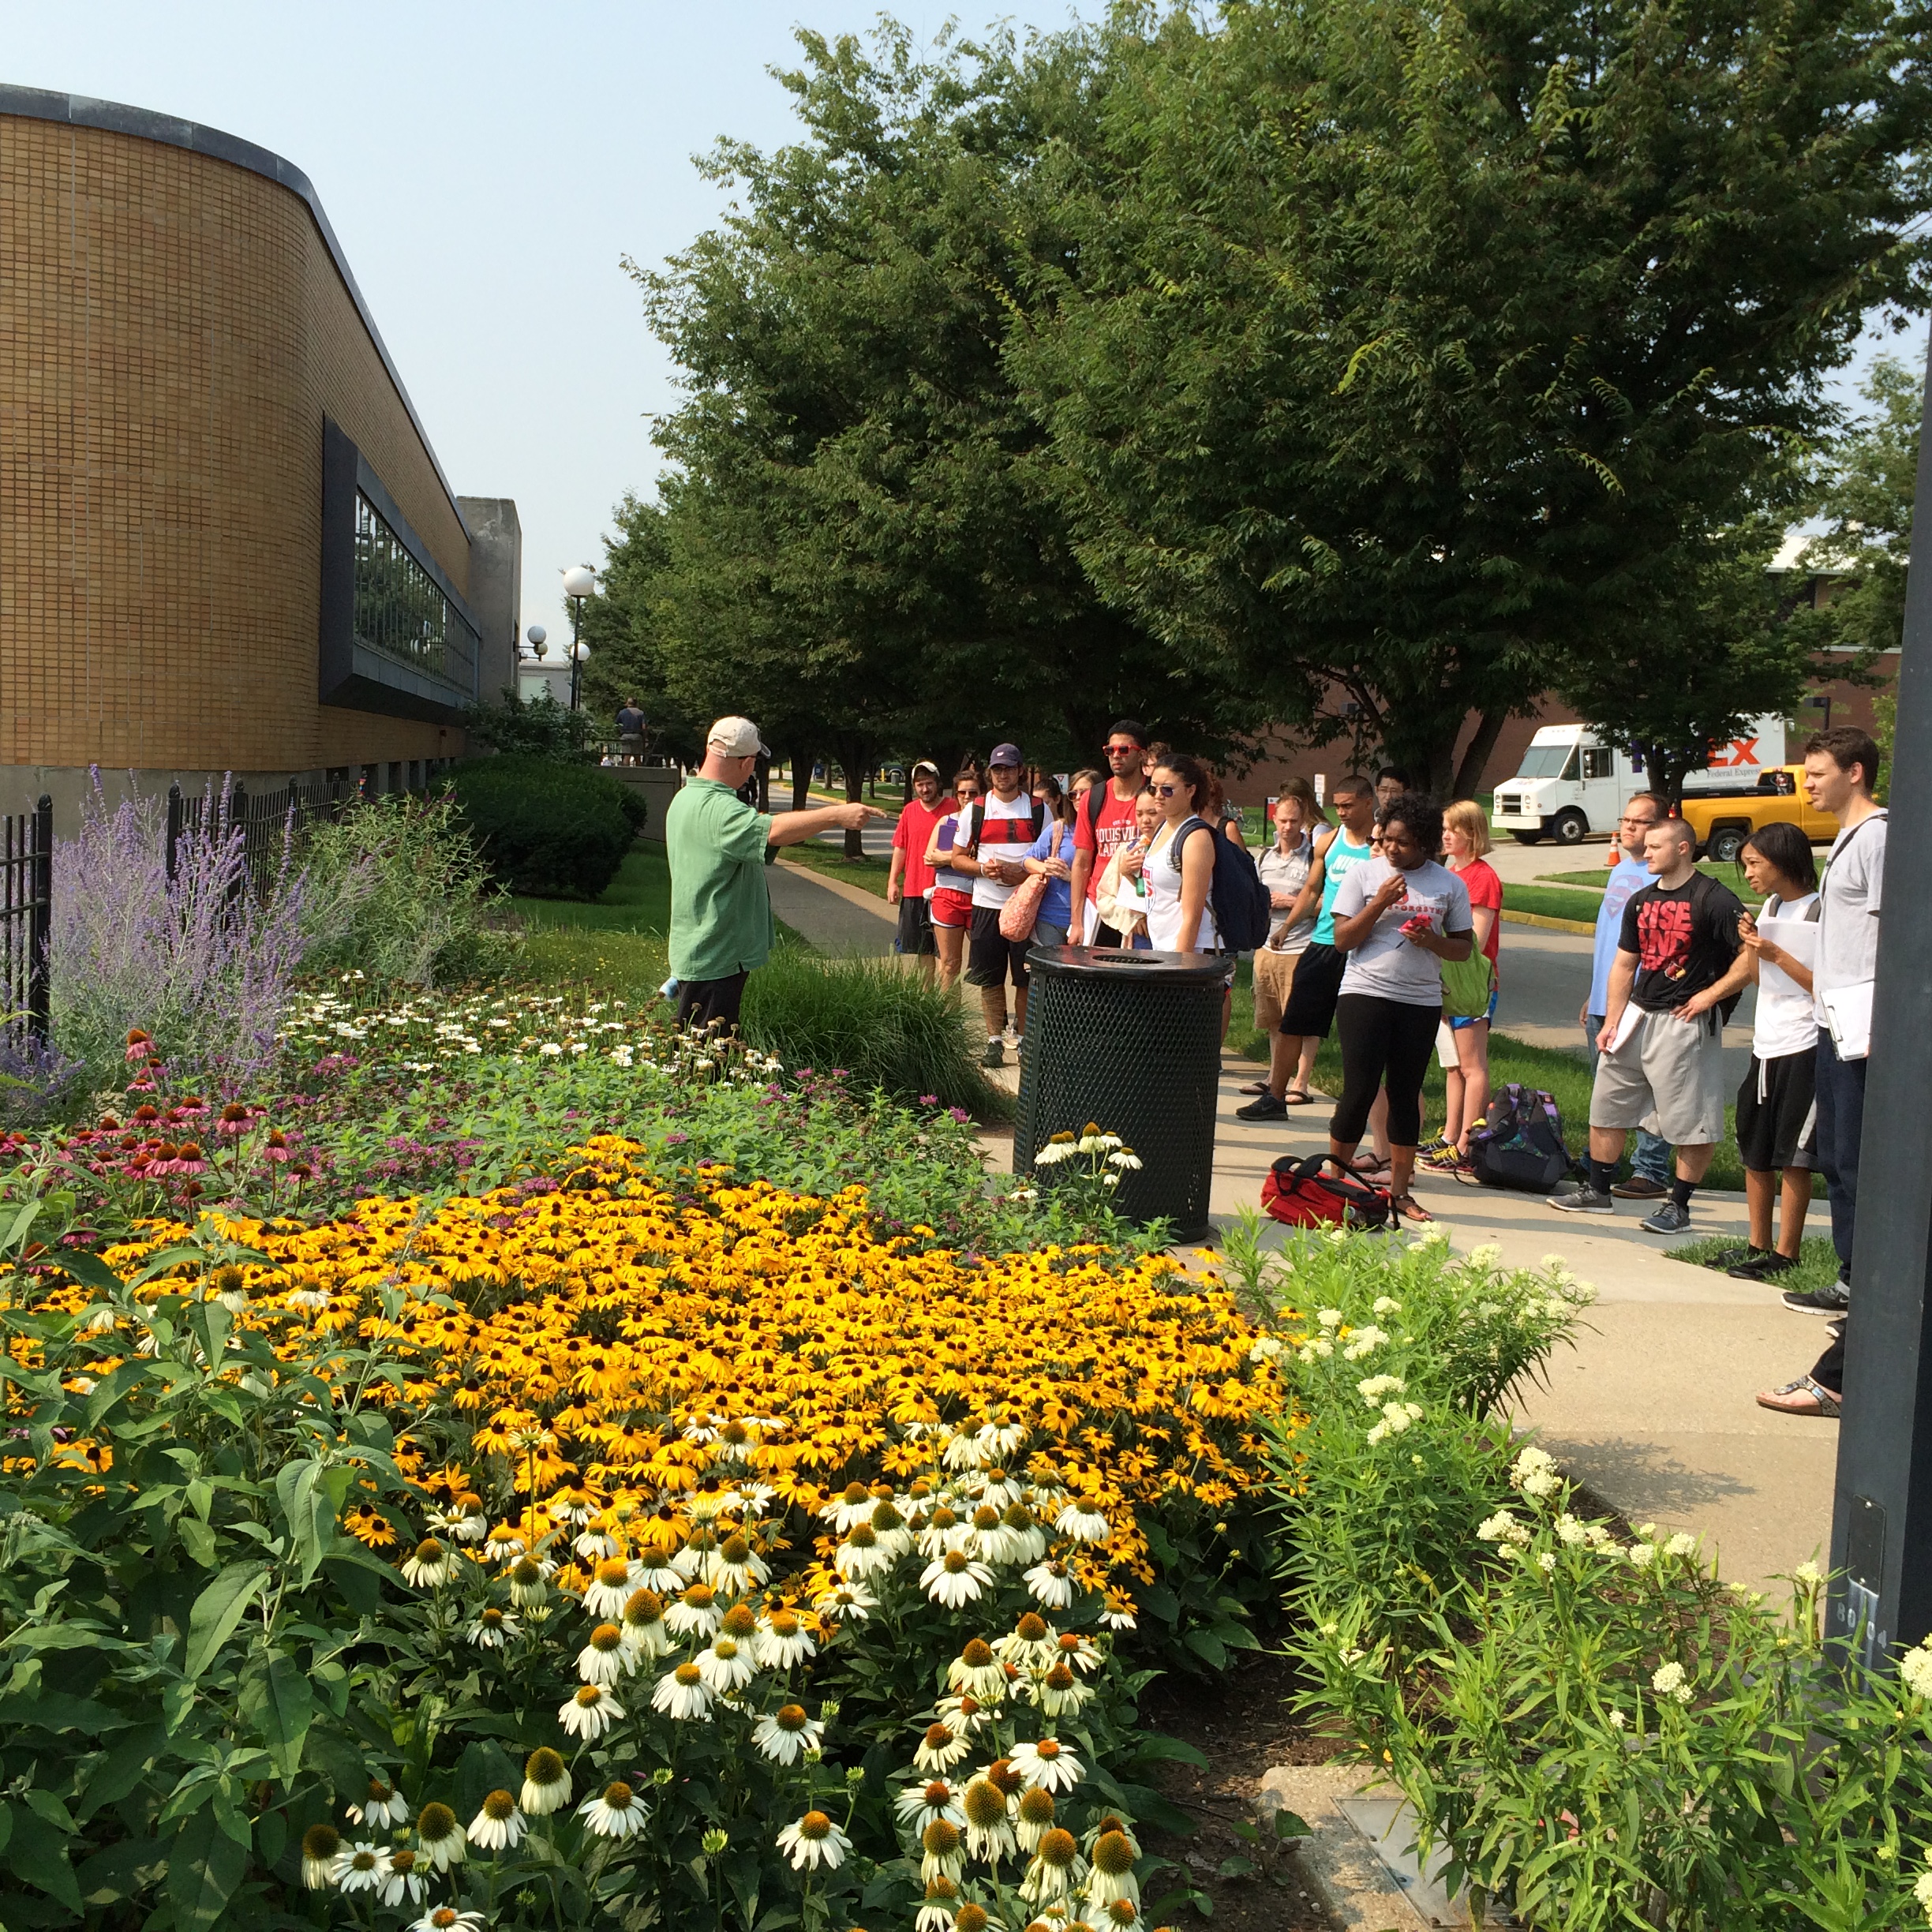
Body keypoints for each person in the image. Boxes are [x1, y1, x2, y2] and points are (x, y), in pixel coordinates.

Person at [1758, 726, 1887, 1419]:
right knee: (1836, 1162)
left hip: (1864, 1034)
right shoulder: (1845, 842)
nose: (1806, 784)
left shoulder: (1877, 838)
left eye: (1816, 774)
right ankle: (1848, 1284)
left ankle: (1860, 1320)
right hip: (1835, 1027)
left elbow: (1890, 938)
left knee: (1857, 1172)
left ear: (1855, 773)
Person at [1549, 815, 1752, 1230]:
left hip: (1683, 1021)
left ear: (1682, 848)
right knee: (1606, 1105)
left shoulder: (1715, 899)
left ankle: (1678, 1206)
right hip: (1637, 1016)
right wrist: (1613, 1019)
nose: (1645, 851)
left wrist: (1710, 995)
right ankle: (1598, 1191)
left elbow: (1752, 954)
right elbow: (1625, 963)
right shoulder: (1641, 900)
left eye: (1655, 845)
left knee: (1689, 1120)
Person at [665, 715, 883, 1030]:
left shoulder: (686, 798)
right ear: (746, 762)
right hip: (716, 954)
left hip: (699, 947)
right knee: (706, 1063)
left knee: (698, 1051)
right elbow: (772, 832)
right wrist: (837, 814)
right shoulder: (720, 809)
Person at [1325, 795, 1474, 1222]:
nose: (1392, 848)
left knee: (1405, 1094)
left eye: (1404, 842)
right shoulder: (1364, 875)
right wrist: (1379, 903)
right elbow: (1342, 940)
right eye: (1387, 839)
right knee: (1359, 1090)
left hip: (1419, 999)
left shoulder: (1448, 884)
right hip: (1364, 992)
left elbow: (1464, 949)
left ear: (1425, 844)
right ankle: (1334, 1183)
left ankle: (1400, 1191)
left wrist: (1433, 942)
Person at [1245, 776, 1380, 1123]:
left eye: (1349, 805)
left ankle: (1361, 1107)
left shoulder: (1381, 844)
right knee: (1293, 1022)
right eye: (1338, 805)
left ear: (1369, 802)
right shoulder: (1331, 842)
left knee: (1363, 1034)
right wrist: (1287, 926)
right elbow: (1310, 889)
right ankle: (1275, 1097)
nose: (1342, 812)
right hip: (1322, 943)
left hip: (1365, 947)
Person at [1724, 822, 1818, 1279]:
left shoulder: (1820, 911)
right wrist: (1755, 950)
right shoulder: (1773, 906)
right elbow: (1764, 982)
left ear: (1782, 861)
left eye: (1755, 864)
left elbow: (1824, 986)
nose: (1749, 874)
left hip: (1804, 1045)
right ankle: (1756, 1243)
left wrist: (1777, 954)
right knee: (1754, 1145)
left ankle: (1787, 1253)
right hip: (1767, 1042)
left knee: (1793, 1155)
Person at [1581, 794, 1676, 1200]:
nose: (1629, 828)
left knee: (1648, 1089)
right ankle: (1601, 1164)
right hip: (1604, 1001)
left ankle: (1651, 1170)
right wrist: (1594, 994)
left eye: (1641, 822)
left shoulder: (1661, 878)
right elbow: (1608, 943)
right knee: (1609, 1092)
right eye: (1626, 819)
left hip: (1639, 1005)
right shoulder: (1620, 870)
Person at [952, 744, 1045, 1067]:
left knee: (1025, 978)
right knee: (990, 977)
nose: (1002, 775)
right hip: (987, 904)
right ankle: (994, 1040)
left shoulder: (1039, 808)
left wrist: (1024, 872)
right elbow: (957, 858)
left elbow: (1053, 853)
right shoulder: (975, 809)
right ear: (989, 773)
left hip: (1026, 906)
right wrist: (981, 869)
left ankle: (1020, 1039)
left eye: (1008, 769)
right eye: (996, 770)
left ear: (1021, 770)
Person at [1238, 783, 1325, 1111]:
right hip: (1267, 946)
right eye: (1282, 821)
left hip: (1301, 946)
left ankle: (1301, 1081)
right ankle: (1277, 1078)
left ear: (1303, 821)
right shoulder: (1266, 857)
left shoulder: (1315, 858)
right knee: (1273, 1018)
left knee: (1300, 1020)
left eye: (1293, 821)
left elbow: (1326, 902)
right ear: (1274, 820)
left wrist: (1292, 902)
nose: (1287, 827)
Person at [1428, 799, 1503, 1168]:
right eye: (1444, 828)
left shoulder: (1482, 877)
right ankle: (1448, 1135)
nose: (1445, 835)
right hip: (1444, 982)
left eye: (1452, 829)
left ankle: (1467, 1144)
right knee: (1452, 1065)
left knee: (1472, 1065)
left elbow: (1476, 937)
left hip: (1472, 984)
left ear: (1471, 834)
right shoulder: (1449, 873)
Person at [1070, 722, 1150, 945]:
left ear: (1141, 754)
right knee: (1097, 977)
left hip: (1142, 912)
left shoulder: (1155, 795)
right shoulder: (1093, 798)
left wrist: (1142, 908)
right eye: (1110, 750)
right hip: (1101, 906)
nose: (1116, 755)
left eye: (1124, 750)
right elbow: (1082, 862)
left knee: (1140, 977)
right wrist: (1077, 921)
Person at [1142, 754, 1220, 952]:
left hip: (1190, 953)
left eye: (1167, 789)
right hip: (1162, 948)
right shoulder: (1163, 828)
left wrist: (1180, 968)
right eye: (1153, 788)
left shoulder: (1196, 838)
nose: (1158, 795)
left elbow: (1193, 917)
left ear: (1190, 790)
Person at [886, 761, 946, 981]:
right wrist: (893, 881)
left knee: (946, 956)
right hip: (915, 891)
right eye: (920, 784)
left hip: (944, 892)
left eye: (929, 783)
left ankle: (948, 1006)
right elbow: (900, 847)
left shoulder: (952, 809)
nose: (925, 789)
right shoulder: (909, 811)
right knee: (923, 952)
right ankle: (927, 1000)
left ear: (937, 784)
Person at [924, 769, 982, 991]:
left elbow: (989, 856)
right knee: (949, 964)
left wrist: (947, 857)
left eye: (973, 792)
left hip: (980, 898)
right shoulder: (945, 822)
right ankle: (949, 1019)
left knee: (985, 965)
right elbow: (930, 858)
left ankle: (999, 1020)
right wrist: (965, 856)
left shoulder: (987, 822)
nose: (967, 797)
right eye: (962, 793)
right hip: (947, 896)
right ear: (955, 794)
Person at [1095, 788, 1160, 946]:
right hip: (1138, 940)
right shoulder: (1126, 852)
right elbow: (1104, 896)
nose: (1145, 820)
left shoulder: (1180, 849)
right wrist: (1132, 917)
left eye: (1152, 813)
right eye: (1139, 814)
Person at [1022, 780, 1080, 948]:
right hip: (1050, 918)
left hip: (1087, 919)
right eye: (1073, 794)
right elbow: (1026, 860)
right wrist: (1044, 868)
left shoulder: (1100, 831)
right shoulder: (1059, 828)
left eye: (1085, 793)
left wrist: (1072, 877)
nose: (1079, 798)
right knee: (1051, 972)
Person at [616, 699, 646, 764]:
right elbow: (644, 727)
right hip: (637, 736)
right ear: (636, 704)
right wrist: (645, 737)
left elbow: (617, 724)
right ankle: (639, 772)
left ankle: (626, 772)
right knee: (637, 757)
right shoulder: (640, 713)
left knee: (627, 756)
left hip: (625, 735)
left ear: (627, 703)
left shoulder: (622, 712)